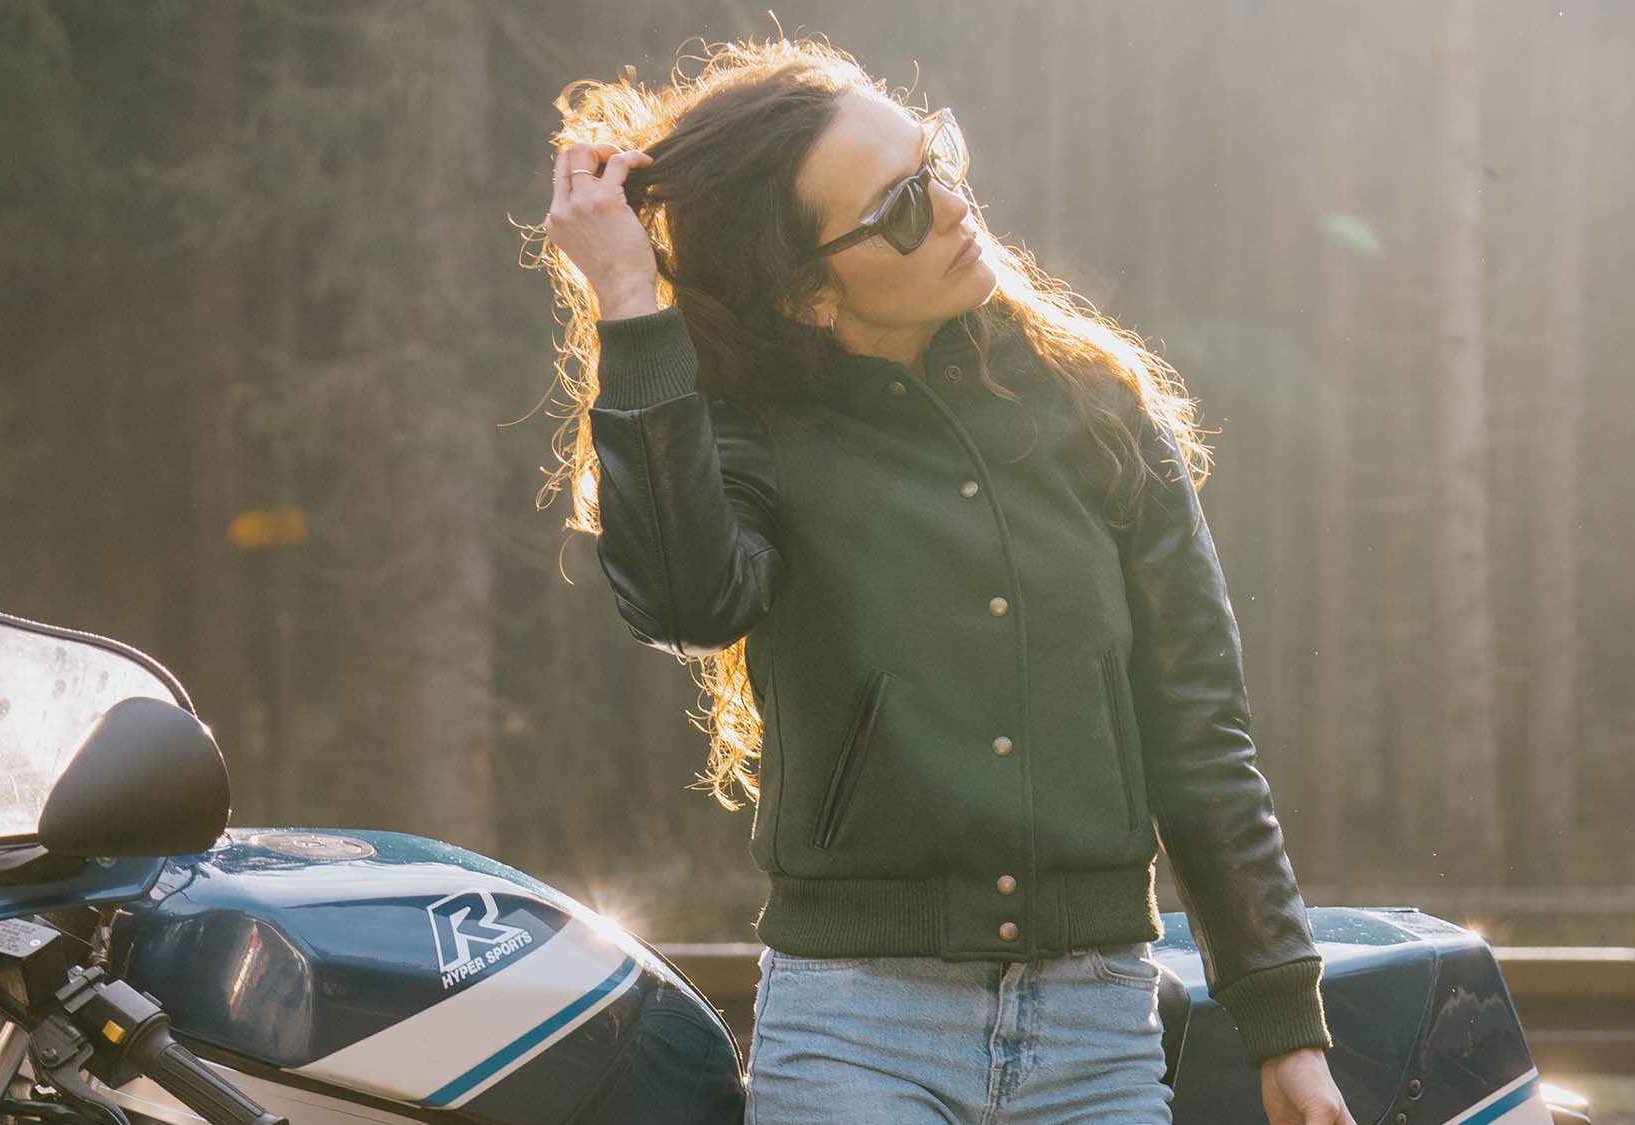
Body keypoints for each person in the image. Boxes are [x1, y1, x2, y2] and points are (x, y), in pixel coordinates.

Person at [533, 35, 1356, 1125]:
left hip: (1099, 1034)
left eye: (937, 163)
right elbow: (685, 604)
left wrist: (1284, 1026)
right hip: (851, 1033)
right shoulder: (755, 435)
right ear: (806, 293)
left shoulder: (1099, 410)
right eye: (904, 208)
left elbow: (1200, 734)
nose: (958, 207)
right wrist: (631, 305)